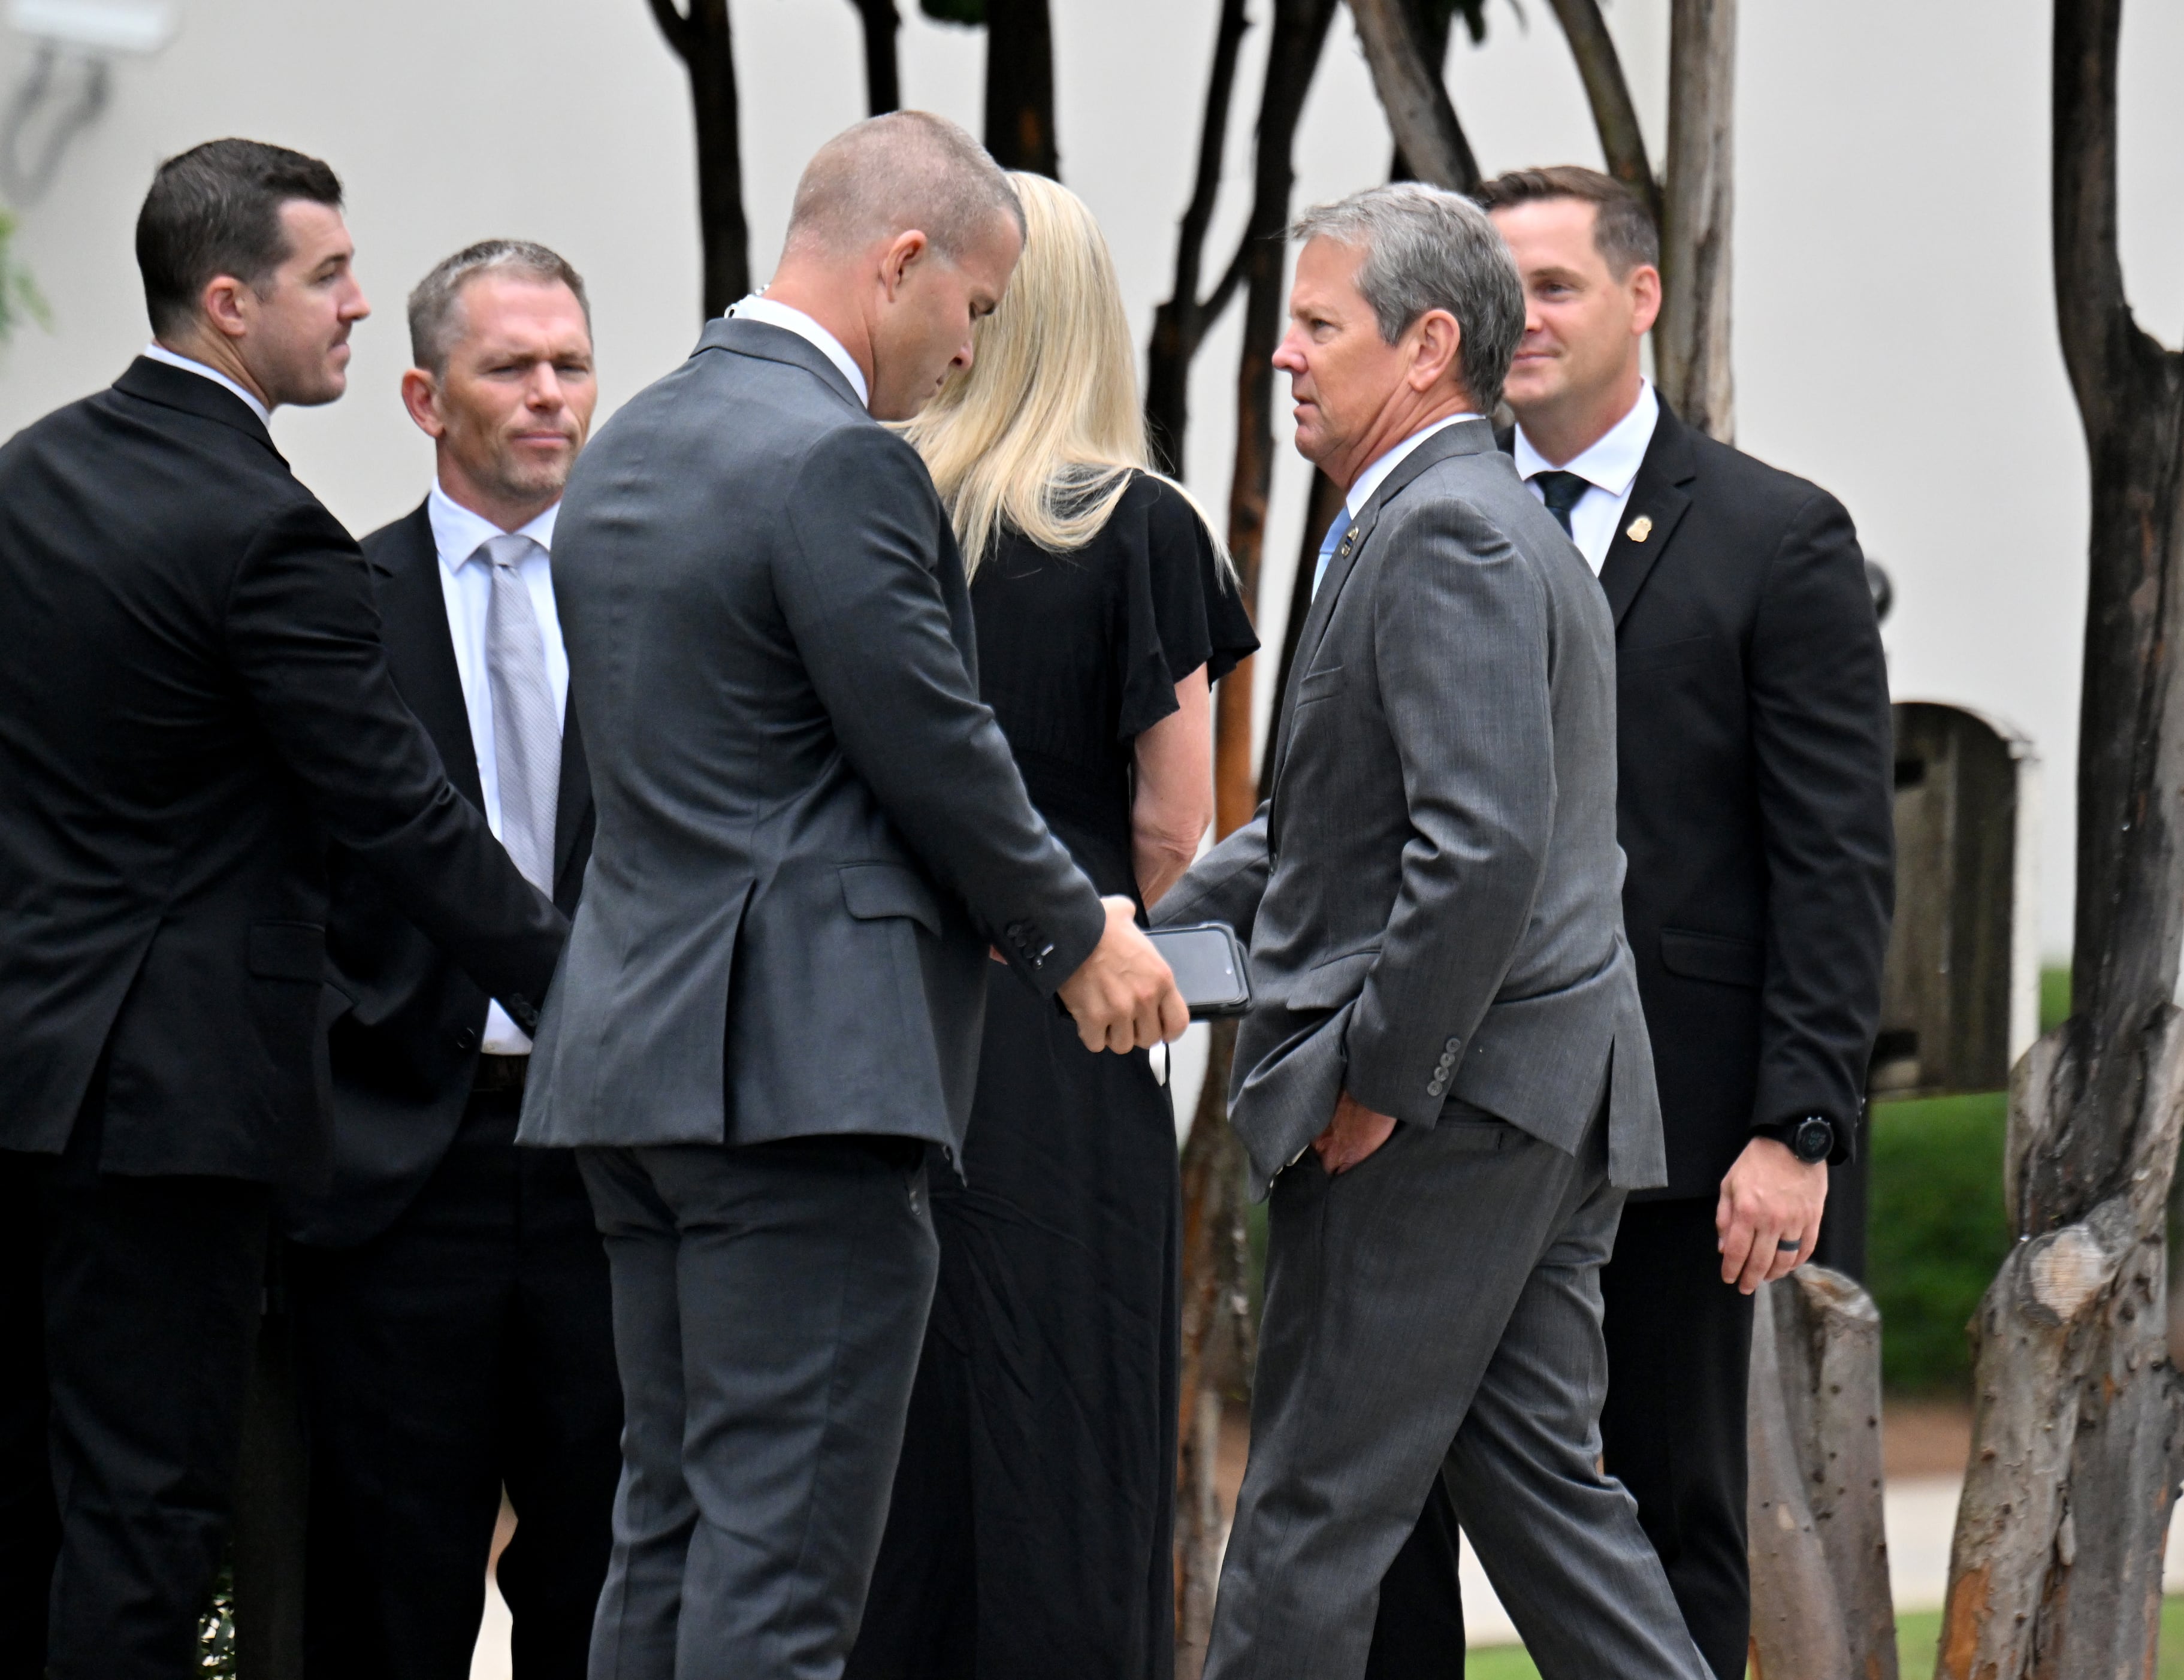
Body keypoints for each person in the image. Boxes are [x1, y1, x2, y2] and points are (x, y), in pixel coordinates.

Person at [518, 111, 1189, 1680]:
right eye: (972, 306)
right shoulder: (840, 457)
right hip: (804, 1088)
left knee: (666, 1537)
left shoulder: (629, 450)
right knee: (784, 1575)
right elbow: (934, 746)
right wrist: (1078, 929)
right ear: (900, 264)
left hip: (631, 1068)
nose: (970, 350)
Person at [0, 140, 564, 1680]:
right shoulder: (272, 532)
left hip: (29, 1080)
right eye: (330, 277)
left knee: (50, 1513)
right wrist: (583, 985)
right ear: (231, 302)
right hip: (176, 1114)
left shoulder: (28, 476)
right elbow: (402, 818)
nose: (362, 305)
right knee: (150, 1517)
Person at [1152, 181, 1710, 1680]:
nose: (1284, 354)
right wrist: (1140, 933)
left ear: (1426, 347)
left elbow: (1478, 854)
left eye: (1317, 324)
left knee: (1307, 1513)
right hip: (1536, 1093)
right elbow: (1335, 830)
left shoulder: (1445, 533)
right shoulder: (1466, 518)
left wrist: (1375, 1084)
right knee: (1544, 1500)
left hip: (1448, 1113)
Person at [1365, 165, 1896, 1680]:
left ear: (1641, 297)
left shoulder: (1775, 537)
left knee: (1671, 1511)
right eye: (1496, 288)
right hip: (1434, 1116)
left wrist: (1796, 1126)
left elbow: (1835, 858)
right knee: (1388, 1516)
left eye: (1554, 286)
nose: (1517, 320)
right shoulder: (1411, 520)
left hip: (1671, 1127)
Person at [846, 173, 1256, 1680]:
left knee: (896, 1409)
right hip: (1073, 1011)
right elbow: (1171, 827)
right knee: (1067, 1412)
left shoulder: (865, 500)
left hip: (885, 1003)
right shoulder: (1141, 526)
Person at [280, 240, 620, 1679]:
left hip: (612, 1156)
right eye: (510, 368)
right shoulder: (333, 601)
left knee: (599, 1580)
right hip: (408, 1163)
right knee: (386, 1591)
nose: (549, 398)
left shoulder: (655, 595)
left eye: (570, 365)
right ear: (425, 395)